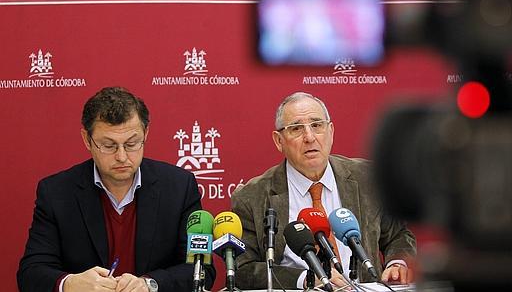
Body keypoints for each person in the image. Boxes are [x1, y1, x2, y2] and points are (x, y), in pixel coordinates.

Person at [17, 87, 215, 292]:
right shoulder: (57, 193)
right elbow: (31, 272)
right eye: (109, 145)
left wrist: (150, 285)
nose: (122, 156)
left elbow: (202, 269)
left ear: (146, 134)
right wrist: (70, 284)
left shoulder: (179, 187)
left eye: (132, 143)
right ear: (87, 139)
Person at [231, 91, 416, 290]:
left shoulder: (367, 178)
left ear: (331, 131)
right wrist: (307, 279)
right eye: (296, 129)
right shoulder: (251, 198)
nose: (309, 137)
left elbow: (398, 234)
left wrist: (398, 263)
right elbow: (244, 269)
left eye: (317, 125)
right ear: (279, 141)